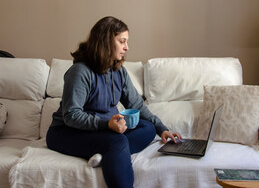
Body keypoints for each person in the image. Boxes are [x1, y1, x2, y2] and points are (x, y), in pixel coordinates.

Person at [46, 16, 181, 188]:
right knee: (118, 142)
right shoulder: (80, 72)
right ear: (105, 42)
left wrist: (162, 128)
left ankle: (106, 154)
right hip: (65, 132)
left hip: (103, 131)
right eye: (122, 41)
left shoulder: (119, 71)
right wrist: (106, 125)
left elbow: (137, 105)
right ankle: (112, 151)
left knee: (148, 128)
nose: (127, 47)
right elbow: (71, 116)